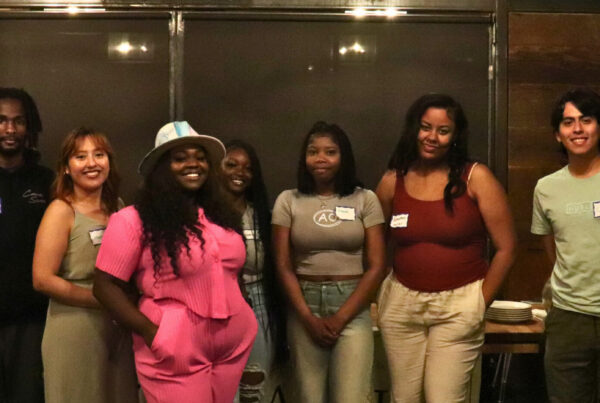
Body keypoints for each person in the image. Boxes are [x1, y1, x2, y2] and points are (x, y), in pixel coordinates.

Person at [93, 121, 257, 403]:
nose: (193, 164)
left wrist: (245, 315)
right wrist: (152, 333)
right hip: (174, 347)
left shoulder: (219, 214)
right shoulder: (134, 219)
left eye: (200, 157)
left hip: (231, 347)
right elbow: (104, 286)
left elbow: (231, 270)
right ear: (161, 168)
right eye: (180, 158)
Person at [375, 93, 516, 402]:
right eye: (426, 127)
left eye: (443, 130)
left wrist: (480, 301)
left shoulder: (476, 177)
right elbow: (374, 243)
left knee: (445, 398)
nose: (432, 137)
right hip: (401, 304)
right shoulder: (391, 180)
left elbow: (506, 248)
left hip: (459, 304)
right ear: (414, 129)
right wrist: (383, 288)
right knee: (404, 398)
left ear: (455, 135)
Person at [272, 121, 386, 403]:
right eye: (313, 152)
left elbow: (377, 265)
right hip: (303, 307)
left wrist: (341, 317)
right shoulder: (288, 200)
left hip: (352, 306)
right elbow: (283, 265)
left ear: (343, 157)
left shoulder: (365, 199)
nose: (321, 158)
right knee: (309, 398)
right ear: (305, 157)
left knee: (351, 397)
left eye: (330, 152)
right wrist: (308, 318)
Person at [32, 127, 138, 403]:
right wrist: (101, 300)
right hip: (74, 328)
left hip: (116, 327)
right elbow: (42, 279)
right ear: (66, 168)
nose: (92, 163)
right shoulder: (61, 210)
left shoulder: (119, 207)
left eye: (99, 154)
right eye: (80, 156)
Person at [531, 87, 600, 403]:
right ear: (558, 135)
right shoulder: (546, 189)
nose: (577, 129)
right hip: (569, 318)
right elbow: (553, 252)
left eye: (585, 120)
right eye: (568, 122)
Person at [221, 140, 286, 403]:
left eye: (248, 168)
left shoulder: (261, 214)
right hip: (218, 307)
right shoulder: (202, 213)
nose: (240, 172)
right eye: (231, 165)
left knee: (254, 388)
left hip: (258, 303)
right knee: (224, 390)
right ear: (217, 169)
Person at [0, 87, 53, 403]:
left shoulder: (47, 181)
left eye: (18, 121)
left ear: (29, 127)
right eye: (2, 120)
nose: (9, 129)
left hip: (31, 321)